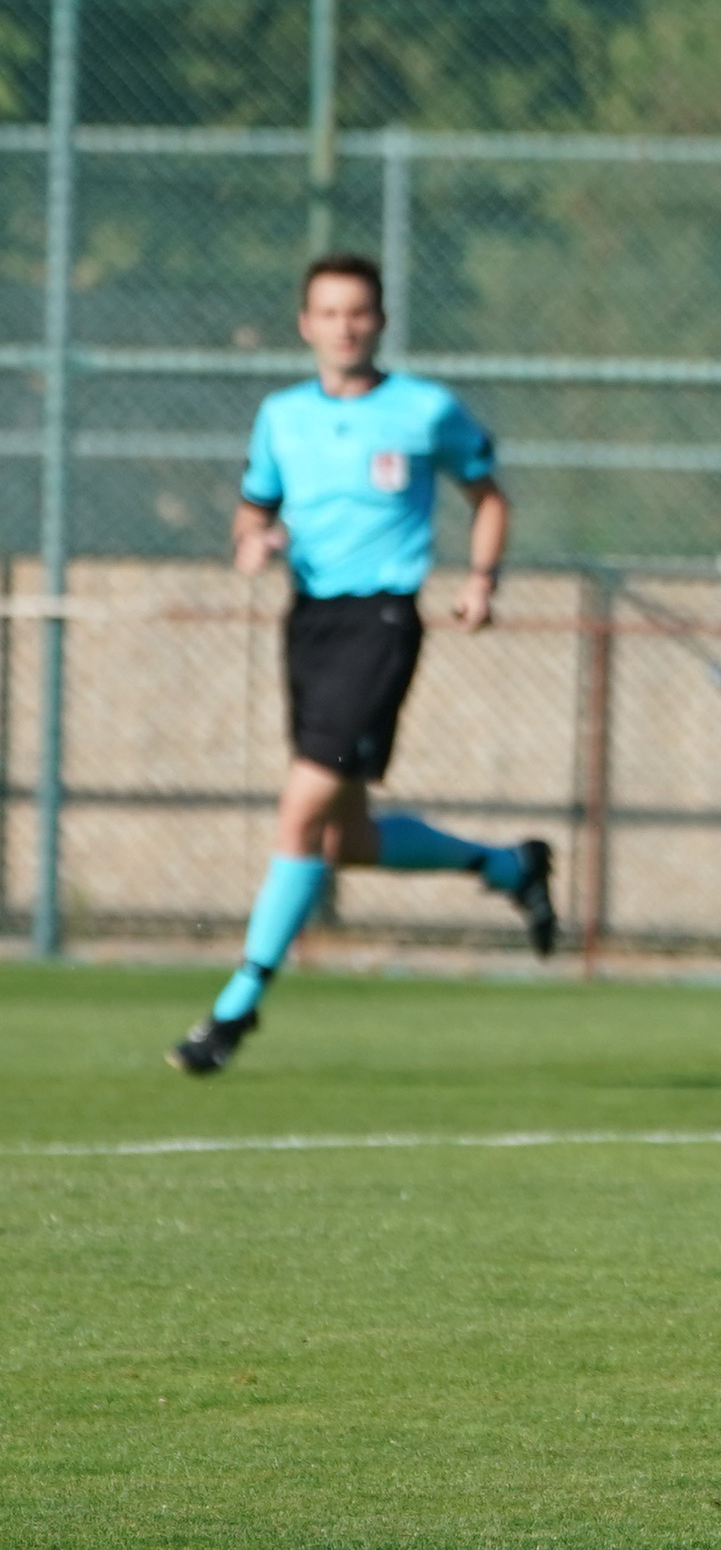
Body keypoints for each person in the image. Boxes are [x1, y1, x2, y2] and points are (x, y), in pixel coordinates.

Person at [172, 253, 557, 1076]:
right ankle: (507, 865)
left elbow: (488, 496)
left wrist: (482, 581)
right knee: (340, 837)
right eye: (329, 313)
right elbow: (253, 511)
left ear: (379, 321)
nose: (345, 327)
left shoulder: (423, 409)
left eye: (359, 313)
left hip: (382, 622)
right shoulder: (281, 416)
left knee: (300, 807)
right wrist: (255, 542)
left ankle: (234, 1009)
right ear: (305, 324)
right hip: (308, 623)